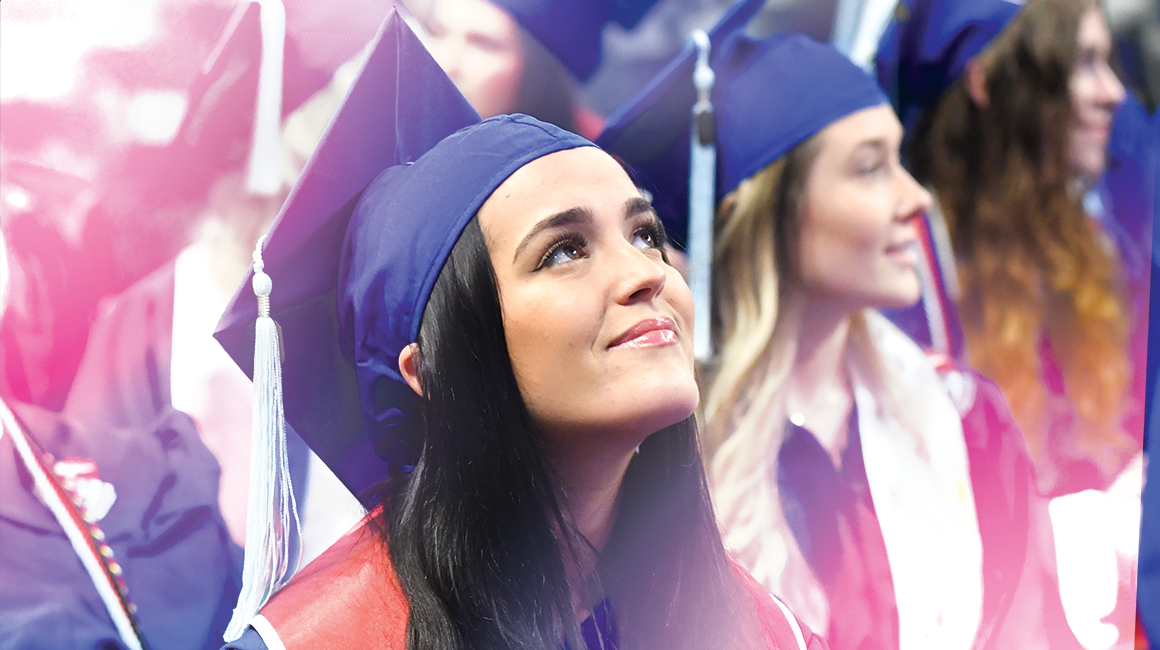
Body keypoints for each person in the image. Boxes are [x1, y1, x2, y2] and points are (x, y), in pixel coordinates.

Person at [213, 11, 823, 650]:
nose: (647, 275)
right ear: (430, 370)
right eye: (563, 251)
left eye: (645, 235)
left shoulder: (763, 632)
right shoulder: (322, 641)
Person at [599, 23, 1078, 650]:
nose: (916, 199)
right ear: (769, 213)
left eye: (900, 161)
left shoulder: (964, 419)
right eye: (871, 168)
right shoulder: (655, 463)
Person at [878, 0, 1141, 499]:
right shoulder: (914, 273)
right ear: (986, 84)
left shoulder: (1095, 239)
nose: (1114, 93)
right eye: (1082, 63)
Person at [406, 0, 659, 139]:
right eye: (436, 32)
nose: (446, 63)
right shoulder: (388, 144)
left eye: (484, 45)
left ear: (543, 76)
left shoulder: (614, 173)